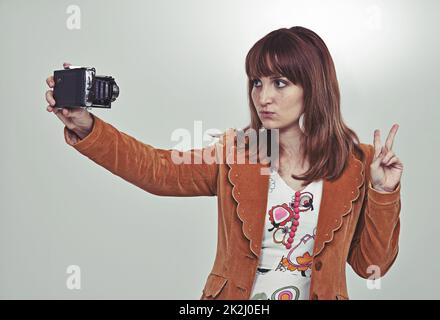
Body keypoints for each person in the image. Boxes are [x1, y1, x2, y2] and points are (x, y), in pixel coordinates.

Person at [44, 26, 403, 300]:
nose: (264, 96)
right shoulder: (238, 154)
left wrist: (383, 192)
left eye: (280, 83)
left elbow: (371, 268)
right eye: (257, 82)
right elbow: (157, 169)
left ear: (314, 87)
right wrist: (87, 126)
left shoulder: (359, 164)